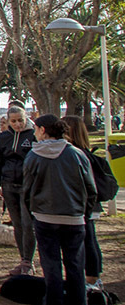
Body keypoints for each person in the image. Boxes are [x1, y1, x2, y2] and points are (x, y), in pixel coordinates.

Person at [23, 114, 96, 305]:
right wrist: (85, 213)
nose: (35, 133)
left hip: (45, 217)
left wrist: (31, 212)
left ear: (43, 130)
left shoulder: (34, 156)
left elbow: (27, 190)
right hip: (74, 217)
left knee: (51, 263)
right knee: (75, 264)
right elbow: (90, 188)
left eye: (36, 129)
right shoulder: (77, 154)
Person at [0, 106, 37, 275]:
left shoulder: (33, 136)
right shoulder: (4, 137)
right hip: (8, 183)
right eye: (14, 121)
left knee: (27, 223)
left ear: (26, 119)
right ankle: (23, 259)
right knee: (17, 223)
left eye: (20, 120)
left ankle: (28, 261)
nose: (17, 124)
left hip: (27, 185)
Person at [62, 115, 104, 289]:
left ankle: (92, 279)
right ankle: (92, 276)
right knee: (89, 240)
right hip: (87, 204)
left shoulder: (76, 155)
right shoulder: (82, 153)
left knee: (87, 241)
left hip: (82, 205)